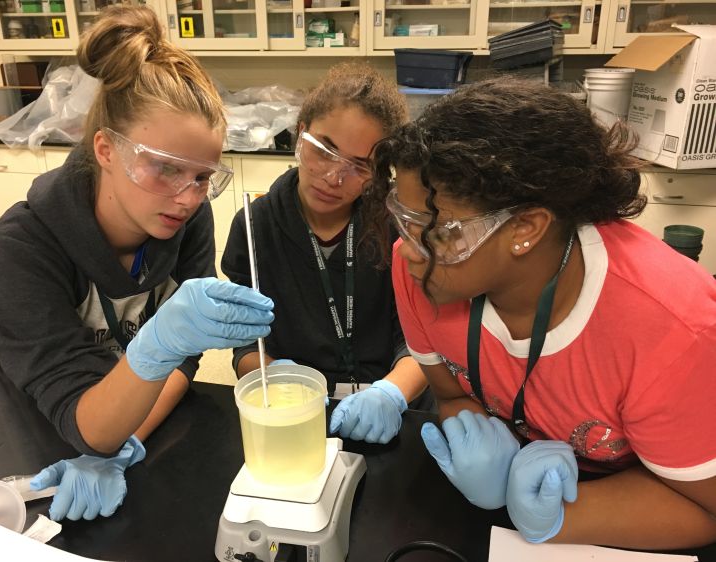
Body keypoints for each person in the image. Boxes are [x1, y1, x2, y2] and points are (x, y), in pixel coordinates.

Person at [363, 77, 716, 549]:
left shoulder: (673, 330)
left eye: (434, 230)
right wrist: (479, 446)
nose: (408, 251)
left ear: (525, 228)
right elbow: (450, 395)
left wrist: (563, 517)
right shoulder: (423, 276)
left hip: (642, 502)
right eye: (403, 220)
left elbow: (704, 505)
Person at [0, 6, 273, 522]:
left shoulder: (183, 221)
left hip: (121, 420)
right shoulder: (21, 247)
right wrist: (155, 351)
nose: (186, 197)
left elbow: (178, 362)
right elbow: (79, 418)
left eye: (202, 177)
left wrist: (125, 439)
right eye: (164, 169)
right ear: (106, 149)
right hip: (33, 429)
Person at [221, 62, 429, 445]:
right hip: (295, 411)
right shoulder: (255, 226)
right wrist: (277, 379)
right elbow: (248, 345)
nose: (333, 177)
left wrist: (390, 394)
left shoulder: (397, 226)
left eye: (359, 167)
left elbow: (421, 339)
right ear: (301, 135)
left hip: (389, 412)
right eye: (324, 150)